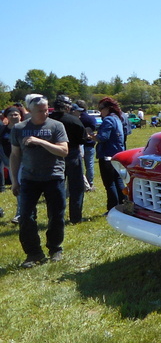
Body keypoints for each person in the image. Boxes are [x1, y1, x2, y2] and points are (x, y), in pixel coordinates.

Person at [9, 95, 69, 267]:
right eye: (40, 111)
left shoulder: (56, 126)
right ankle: (34, 253)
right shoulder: (19, 128)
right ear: (30, 111)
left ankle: (55, 248)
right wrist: (14, 181)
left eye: (46, 110)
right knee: (26, 217)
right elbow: (15, 156)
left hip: (54, 177)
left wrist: (40, 141)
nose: (45, 114)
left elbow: (63, 151)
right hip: (29, 178)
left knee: (56, 215)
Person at [50, 96, 86, 224]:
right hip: (72, 154)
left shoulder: (47, 120)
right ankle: (75, 217)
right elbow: (83, 139)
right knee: (76, 187)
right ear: (66, 106)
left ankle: (54, 216)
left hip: (51, 155)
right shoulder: (73, 120)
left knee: (54, 187)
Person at [93, 97, 127, 213]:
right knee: (118, 181)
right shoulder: (117, 118)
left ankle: (112, 208)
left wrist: (90, 135)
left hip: (107, 155)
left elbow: (102, 137)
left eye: (101, 109)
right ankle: (125, 204)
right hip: (117, 154)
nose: (100, 112)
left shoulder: (108, 119)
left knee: (109, 183)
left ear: (108, 108)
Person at [73, 100, 97, 190]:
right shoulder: (90, 118)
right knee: (90, 165)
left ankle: (82, 183)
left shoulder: (76, 118)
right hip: (89, 143)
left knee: (80, 165)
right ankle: (90, 183)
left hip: (79, 144)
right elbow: (93, 129)